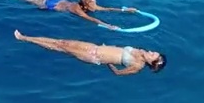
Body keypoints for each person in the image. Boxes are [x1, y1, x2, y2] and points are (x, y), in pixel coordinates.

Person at [14, 30, 166, 75]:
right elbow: (119, 50)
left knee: (60, 48)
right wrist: (108, 47)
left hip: (94, 56)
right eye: (154, 52)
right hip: (95, 47)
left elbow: (119, 73)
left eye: (154, 55)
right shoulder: (140, 51)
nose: (151, 52)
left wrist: (108, 62)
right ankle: (27, 37)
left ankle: (25, 38)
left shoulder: (137, 66)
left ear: (152, 63)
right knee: (62, 42)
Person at [4, 0, 134, 29]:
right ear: (87, 4)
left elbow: (107, 9)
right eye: (93, 2)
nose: (96, 4)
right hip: (51, 5)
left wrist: (124, 10)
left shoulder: (87, 5)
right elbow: (92, 20)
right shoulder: (77, 10)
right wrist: (108, 26)